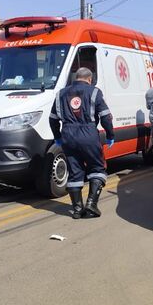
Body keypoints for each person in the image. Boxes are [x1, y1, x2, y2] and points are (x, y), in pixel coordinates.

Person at [49, 67, 114, 219]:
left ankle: (77, 209)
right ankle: (91, 204)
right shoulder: (95, 92)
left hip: (68, 136)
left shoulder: (61, 94)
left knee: (75, 171)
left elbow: (52, 119)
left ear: (76, 77)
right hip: (88, 134)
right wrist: (110, 135)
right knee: (97, 168)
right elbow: (105, 117)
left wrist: (57, 137)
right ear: (89, 79)